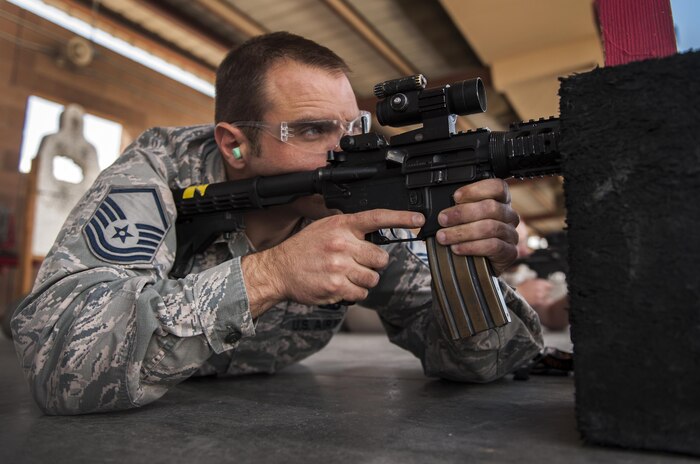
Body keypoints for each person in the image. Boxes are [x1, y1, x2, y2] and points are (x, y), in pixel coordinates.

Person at [11, 32, 543, 415]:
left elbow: (486, 362)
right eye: (312, 130)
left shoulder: (365, 199)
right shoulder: (158, 175)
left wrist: (475, 267)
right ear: (235, 144)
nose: (348, 151)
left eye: (352, 127)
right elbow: (59, 365)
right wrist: (269, 275)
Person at [502, 222, 569, 330]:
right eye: (514, 243)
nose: (526, 251)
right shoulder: (478, 275)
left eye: (525, 241)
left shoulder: (524, 272)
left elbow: (552, 318)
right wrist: (517, 294)